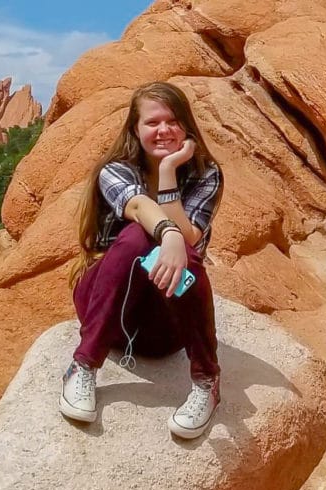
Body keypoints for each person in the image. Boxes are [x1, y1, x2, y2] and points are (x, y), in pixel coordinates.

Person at [62, 81, 225, 439]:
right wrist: (167, 233)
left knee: (187, 253)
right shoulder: (115, 169)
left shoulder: (205, 174)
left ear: (186, 125)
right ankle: (84, 365)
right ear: (135, 129)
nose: (163, 130)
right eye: (152, 122)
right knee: (138, 235)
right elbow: (137, 206)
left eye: (173, 120)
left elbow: (191, 237)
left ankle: (206, 380)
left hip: (160, 327)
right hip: (104, 310)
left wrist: (168, 171)